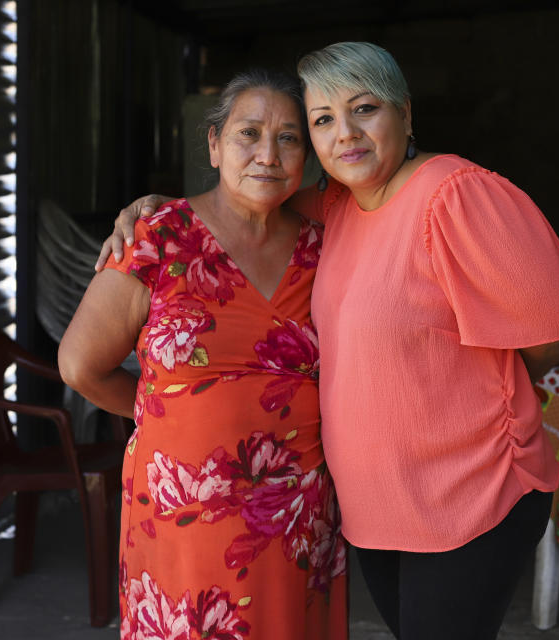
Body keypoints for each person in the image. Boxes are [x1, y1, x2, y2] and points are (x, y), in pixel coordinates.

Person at [98, 42, 559, 640]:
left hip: (467, 494)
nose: (345, 133)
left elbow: (552, 331)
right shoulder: (339, 205)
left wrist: (493, 396)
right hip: (376, 512)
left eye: (365, 109)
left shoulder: (450, 193)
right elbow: (244, 201)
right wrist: (158, 211)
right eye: (324, 120)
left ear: (405, 114)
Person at [57, 68, 348, 640]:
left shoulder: (328, 243)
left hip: (296, 511)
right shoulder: (159, 238)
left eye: (289, 137)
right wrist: (164, 417)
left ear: (307, 158)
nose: (268, 153)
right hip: (184, 512)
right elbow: (79, 366)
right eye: (249, 134)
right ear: (214, 146)